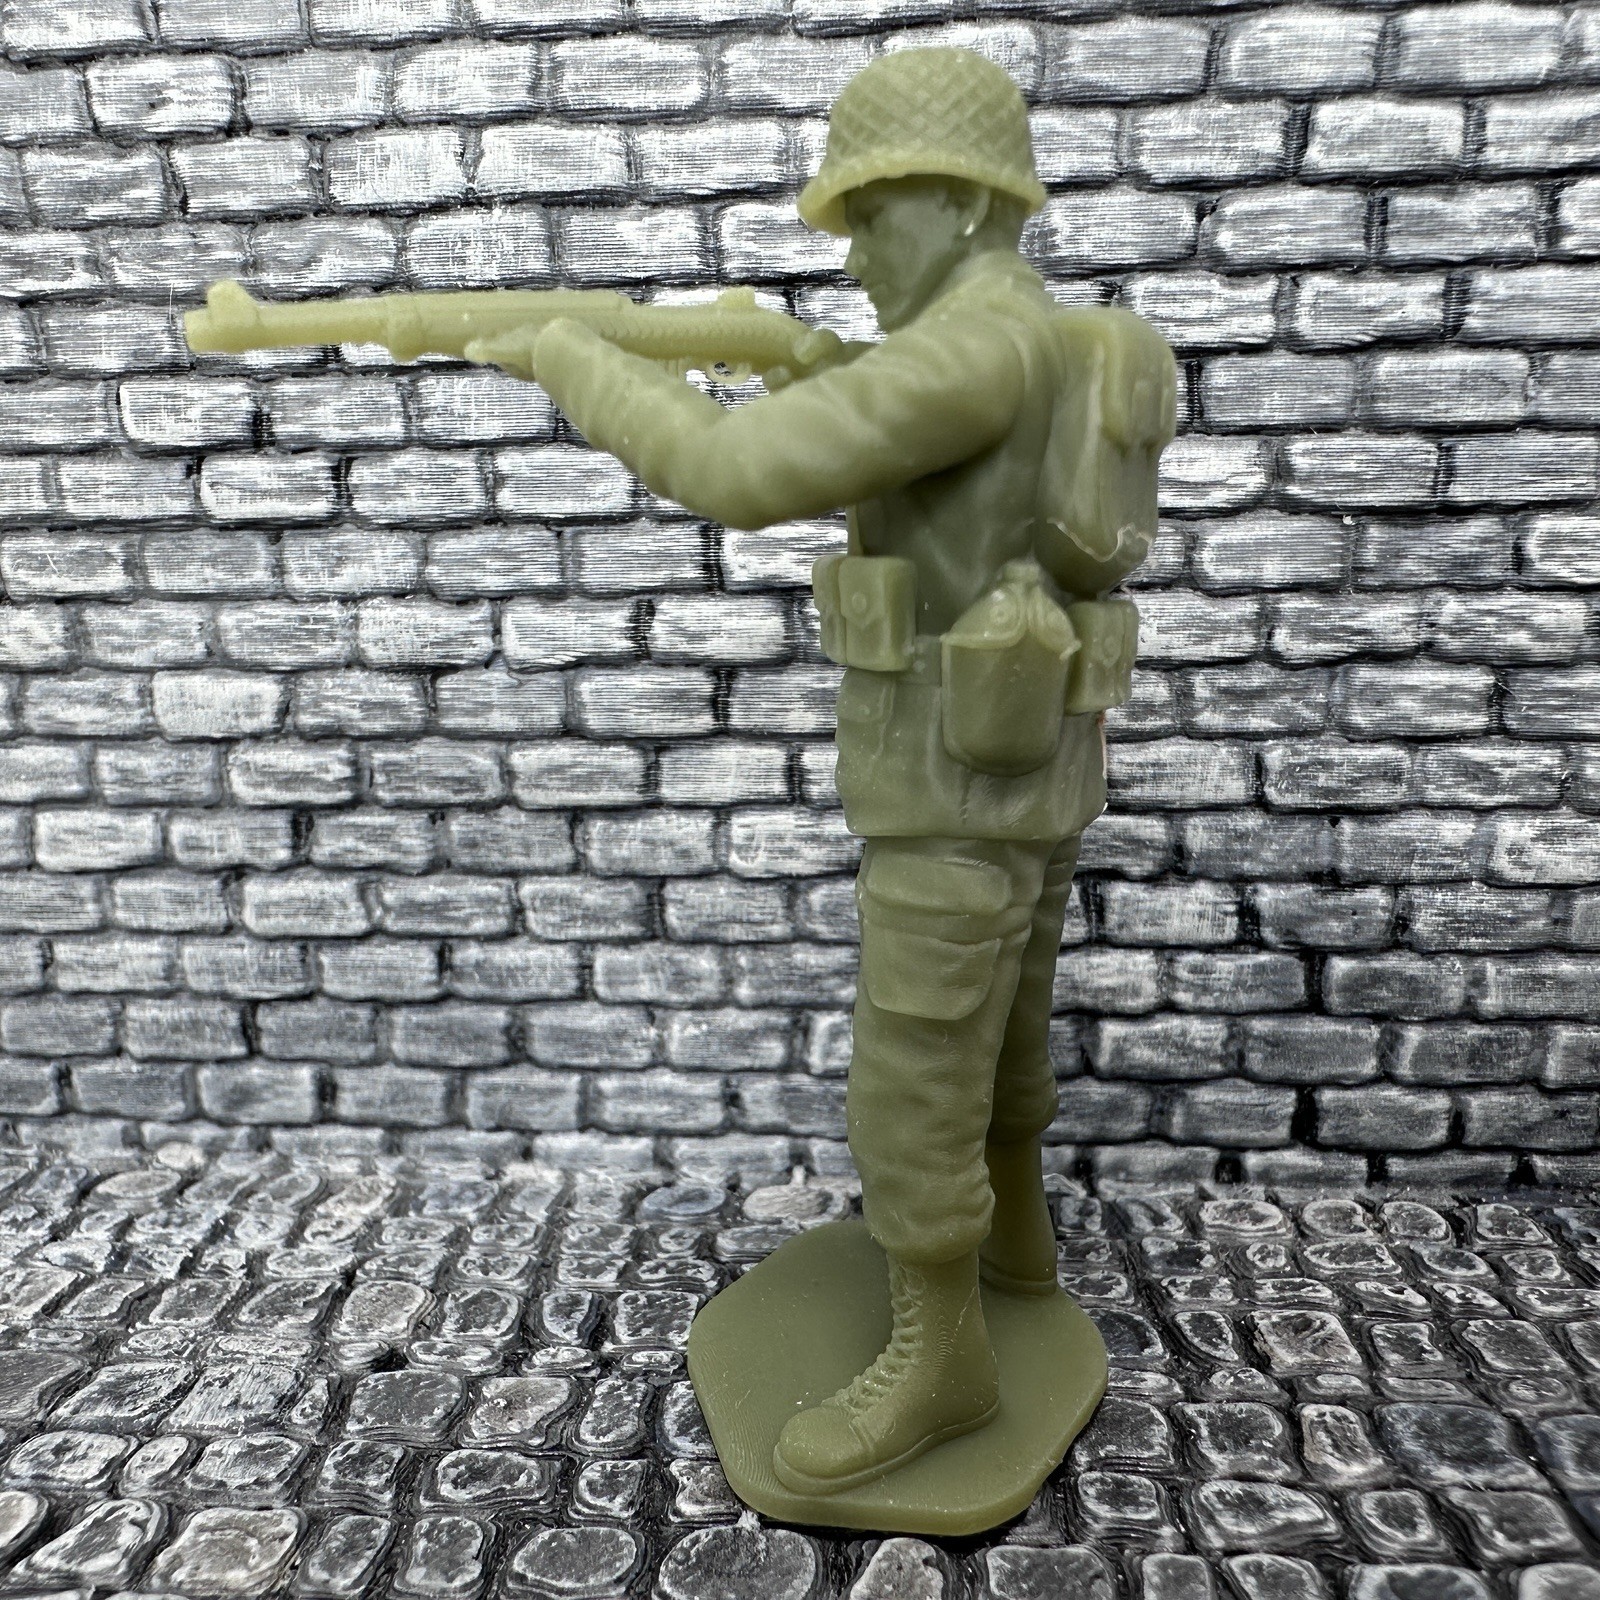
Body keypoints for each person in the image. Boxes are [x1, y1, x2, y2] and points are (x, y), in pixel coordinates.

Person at [521, 46, 1174, 1496]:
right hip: (1037, 761)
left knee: (911, 1075)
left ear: (958, 200)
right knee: (1003, 1032)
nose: (855, 251)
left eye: (871, 215)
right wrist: (814, 362)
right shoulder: (1027, 337)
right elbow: (947, 467)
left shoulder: (971, 351)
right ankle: (1019, 1251)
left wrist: (572, 358)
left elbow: (736, 476)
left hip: (953, 778)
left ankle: (942, 1359)